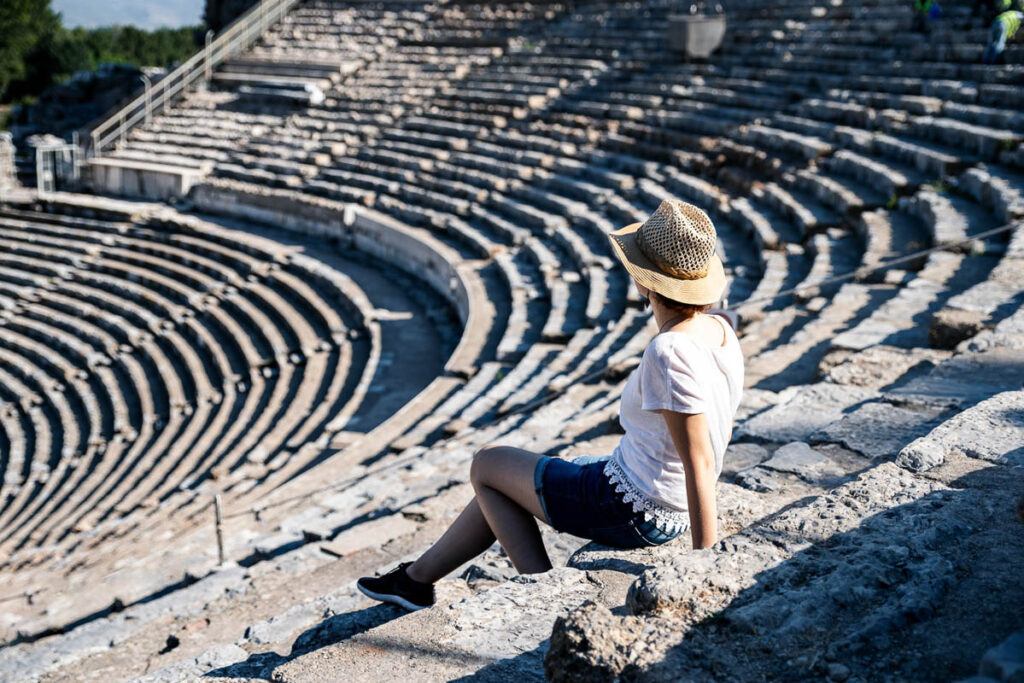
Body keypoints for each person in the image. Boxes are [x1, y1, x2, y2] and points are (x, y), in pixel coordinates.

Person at [357, 199, 745, 611]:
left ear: (645, 282)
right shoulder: (720, 327)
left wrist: (705, 564)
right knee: (511, 479)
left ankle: (543, 593)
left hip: (634, 509)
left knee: (487, 464)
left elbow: (698, 462)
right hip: (650, 493)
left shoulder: (668, 352)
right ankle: (415, 580)